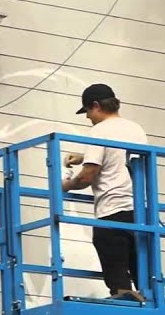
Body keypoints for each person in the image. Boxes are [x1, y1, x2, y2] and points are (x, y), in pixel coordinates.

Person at [62, 83, 148, 301]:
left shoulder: (99, 131)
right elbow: (118, 155)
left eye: (88, 112)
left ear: (96, 106)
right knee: (143, 274)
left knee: (119, 281)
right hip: (140, 211)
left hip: (112, 212)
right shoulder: (135, 129)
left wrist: (66, 185)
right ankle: (147, 302)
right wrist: (84, 156)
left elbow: (88, 175)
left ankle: (125, 305)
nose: (88, 118)